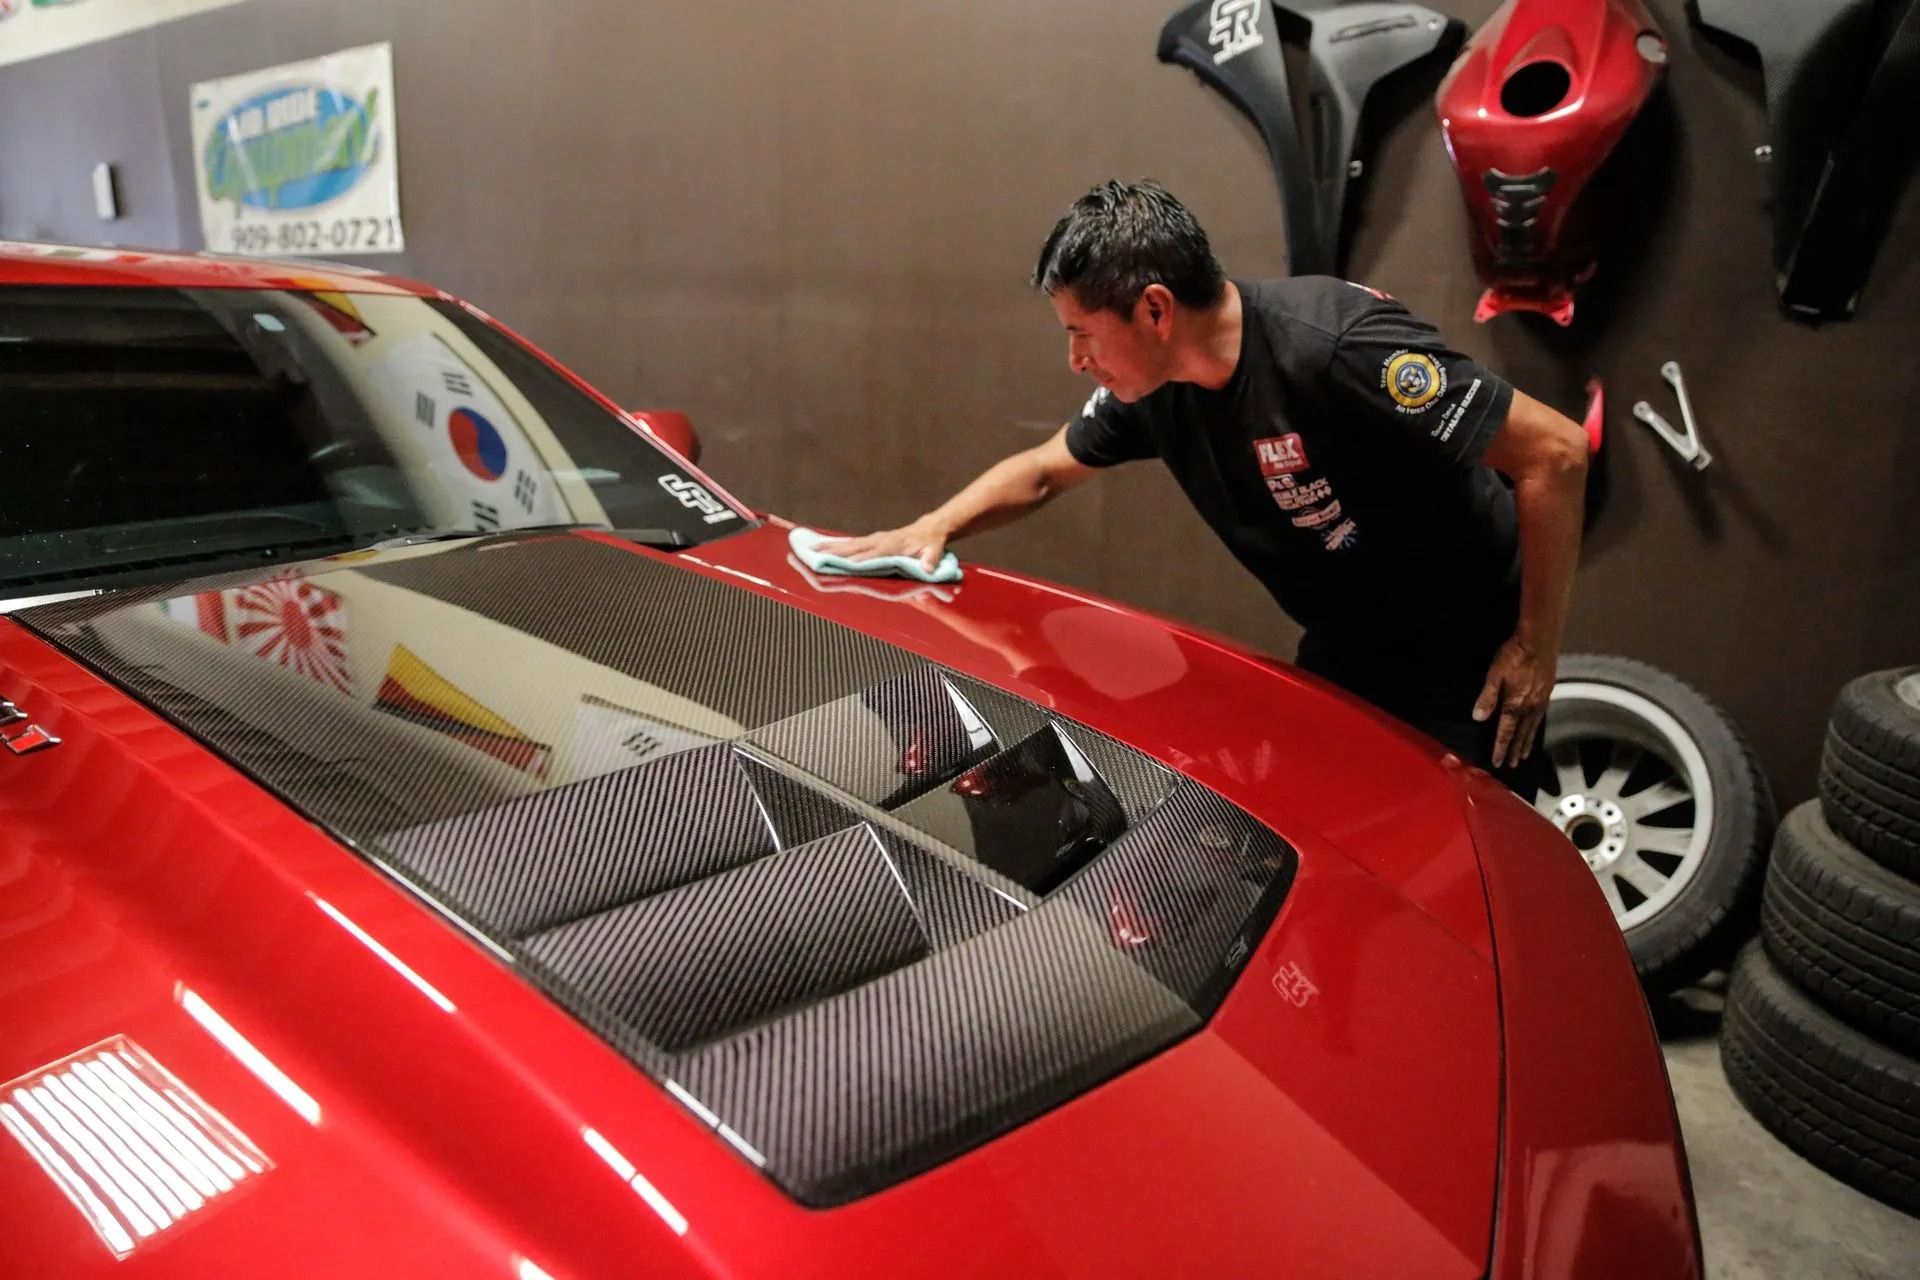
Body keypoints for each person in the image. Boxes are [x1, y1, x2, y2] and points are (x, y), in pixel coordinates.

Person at [818, 180, 1588, 791]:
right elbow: (1046, 470)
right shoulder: (1155, 391)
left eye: (1082, 334)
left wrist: (1534, 647)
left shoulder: (1336, 345)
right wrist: (934, 527)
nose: (1076, 361)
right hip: (1348, 646)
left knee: (1455, 883)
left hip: (1471, 661)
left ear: (1155, 308)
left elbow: (1554, 452)